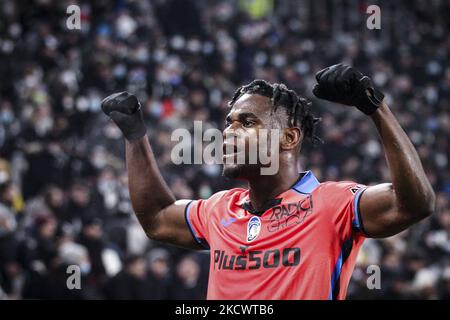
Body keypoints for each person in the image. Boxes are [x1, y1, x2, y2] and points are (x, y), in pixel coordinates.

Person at [101, 64, 435, 299]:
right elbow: (157, 219)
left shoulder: (335, 204)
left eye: (247, 123)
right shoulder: (220, 208)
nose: (229, 132)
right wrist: (135, 137)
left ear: (289, 137)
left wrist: (375, 108)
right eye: (229, 122)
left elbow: (415, 204)